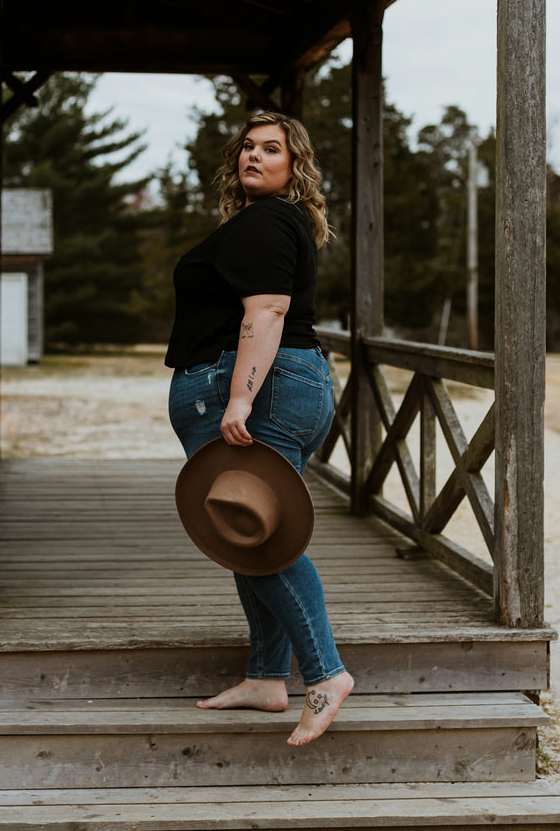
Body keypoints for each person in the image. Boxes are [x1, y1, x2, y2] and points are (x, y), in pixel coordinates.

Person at [166, 111, 354, 747]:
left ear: (294, 165)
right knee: (247, 525)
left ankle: (325, 674)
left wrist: (240, 397)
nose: (254, 155)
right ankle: (267, 678)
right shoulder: (270, 221)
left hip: (262, 388)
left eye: (272, 149)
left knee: (261, 539)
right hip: (286, 384)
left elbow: (268, 310)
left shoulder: (267, 219)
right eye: (247, 146)